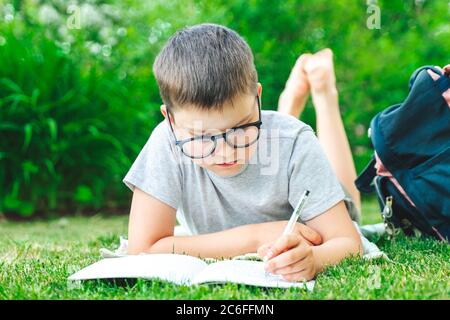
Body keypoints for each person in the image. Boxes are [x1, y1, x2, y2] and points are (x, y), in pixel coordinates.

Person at [123, 23, 362, 282]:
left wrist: (314, 260)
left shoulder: (294, 141)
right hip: (273, 141)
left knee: (341, 189)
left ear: (257, 98)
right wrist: (258, 236)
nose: (225, 152)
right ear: (170, 120)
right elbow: (143, 248)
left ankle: (323, 92)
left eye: (239, 127)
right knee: (276, 138)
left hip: (297, 170)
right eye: (201, 136)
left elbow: (347, 242)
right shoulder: (166, 142)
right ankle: (285, 106)